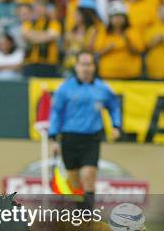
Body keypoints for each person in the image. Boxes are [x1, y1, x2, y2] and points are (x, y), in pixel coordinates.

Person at [48, 51, 121, 212]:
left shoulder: (102, 88)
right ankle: (77, 216)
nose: (86, 68)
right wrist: (53, 138)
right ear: (76, 66)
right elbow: (56, 113)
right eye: (83, 64)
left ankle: (86, 222)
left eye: (89, 64)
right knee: (74, 183)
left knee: (88, 177)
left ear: (94, 67)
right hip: (69, 138)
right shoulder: (65, 88)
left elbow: (114, 106)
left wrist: (116, 125)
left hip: (92, 138)